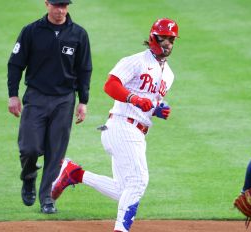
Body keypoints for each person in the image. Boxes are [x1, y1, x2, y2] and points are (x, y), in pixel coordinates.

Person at [51, 18, 179, 232]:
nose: (168, 43)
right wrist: (133, 99)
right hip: (122, 126)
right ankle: (121, 229)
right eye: (163, 38)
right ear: (153, 38)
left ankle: (74, 173)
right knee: (139, 181)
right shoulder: (136, 61)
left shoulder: (169, 75)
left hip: (135, 132)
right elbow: (110, 85)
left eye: (171, 39)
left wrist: (157, 109)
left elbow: (149, 100)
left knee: (124, 190)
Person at [7, 0, 92, 214]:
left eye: (64, 6)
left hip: (64, 100)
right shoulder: (31, 31)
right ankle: (28, 177)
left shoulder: (78, 34)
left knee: (56, 153)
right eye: (56, 5)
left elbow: (84, 69)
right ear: (46, 4)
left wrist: (83, 101)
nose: (60, 10)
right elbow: (15, 64)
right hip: (35, 97)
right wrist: (12, 95)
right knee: (29, 148)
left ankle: (47, 198)